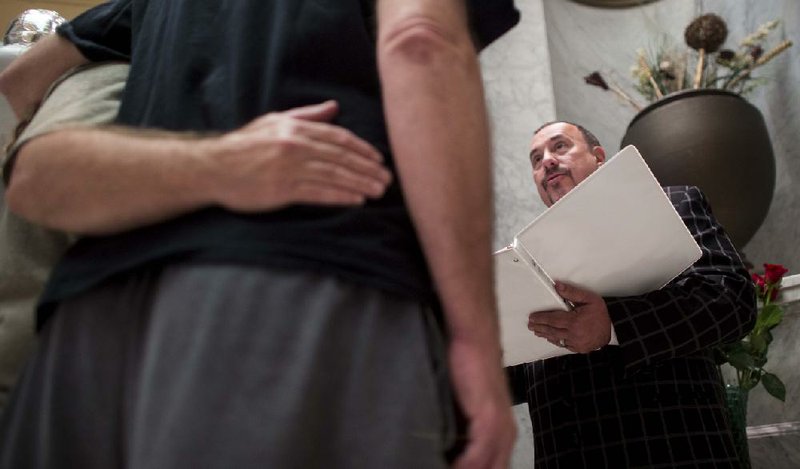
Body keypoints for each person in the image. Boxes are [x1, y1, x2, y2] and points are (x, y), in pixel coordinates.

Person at [0, 1, 520, 468]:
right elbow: (422, 40)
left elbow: (23, 78)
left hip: (89, 332)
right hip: (298, 288)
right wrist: (475, 343)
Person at [507, 121, 757, 468]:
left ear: (599, 158)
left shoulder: (671, 203)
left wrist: (612, 325)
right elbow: (525, 370)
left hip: (671, 450)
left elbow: (732, 299)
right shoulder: (524, 261)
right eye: (536, 159)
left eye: (559, 146)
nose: (546, 161)